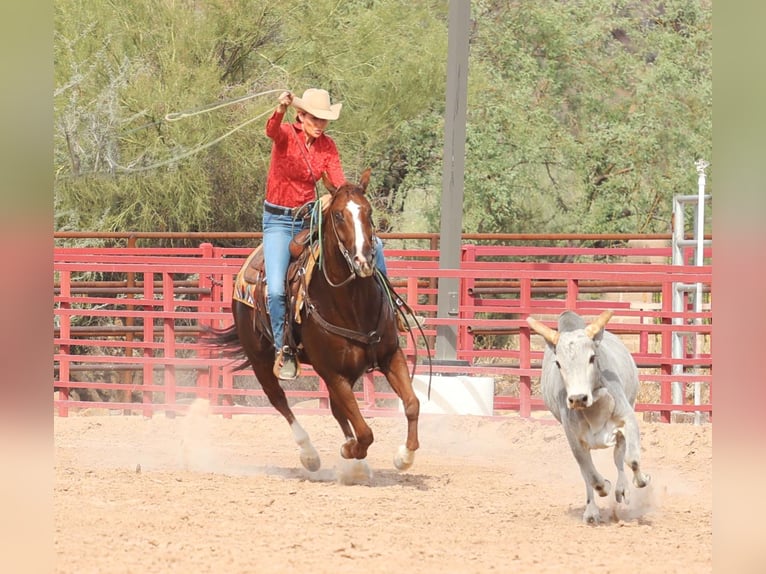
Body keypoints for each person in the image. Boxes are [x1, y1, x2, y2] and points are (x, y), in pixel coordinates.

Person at [262, 88, 390, 380]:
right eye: (315, 118)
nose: (320, 125)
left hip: (309, 216)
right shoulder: (284, 135)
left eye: (324, 120)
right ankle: (284, 348)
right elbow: (271, 131)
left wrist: (345, 197)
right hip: (279, 221)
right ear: (301, 115)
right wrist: (280, 108)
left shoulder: (327, 147)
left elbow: (338, 181)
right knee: (277, 290)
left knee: (374, 246)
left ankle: (390, 308)